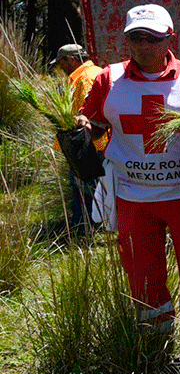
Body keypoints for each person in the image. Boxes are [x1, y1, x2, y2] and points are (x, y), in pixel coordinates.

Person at [76, 4, 180, 363]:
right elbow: (94, 121)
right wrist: (83, 127)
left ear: (170, 38)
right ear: (127, 40)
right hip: (133, 195)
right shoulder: (109, 79)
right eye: (136, 37)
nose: (143, 45)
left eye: (152, 38)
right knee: (142, 270)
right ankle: (154, 346)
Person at [53, 43, 104, 234]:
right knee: (89, 186)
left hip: (89, 143)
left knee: (83, 187)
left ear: (71, 59)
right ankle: (92, 226)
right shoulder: (90, 74)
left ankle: (83, 229)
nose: (60, 68)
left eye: (61, 63)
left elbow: (88, 114)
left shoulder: (86, 79)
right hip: (91, 142)